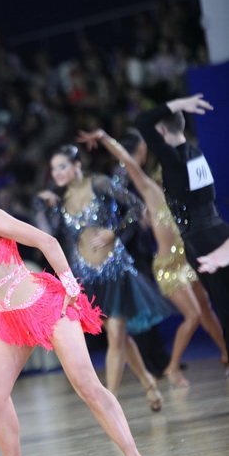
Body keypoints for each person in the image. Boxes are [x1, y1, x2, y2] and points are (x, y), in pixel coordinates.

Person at [0, 143, 167, 456]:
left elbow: (47, 241)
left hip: (46, 306)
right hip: (11, 318)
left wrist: (70, 286)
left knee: (87, 386)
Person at [77, 128, 228, 386]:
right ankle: (172, 368)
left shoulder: (181, 201)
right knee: (193, 315)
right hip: (167, 267)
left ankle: (225, 353)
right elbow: (129, 161)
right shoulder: (152, 193)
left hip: (186, 262)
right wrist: (104, 138)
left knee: (205, 310)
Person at [34, 145, 174, 411]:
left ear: (77, 166)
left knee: (117, 333)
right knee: (117, 336)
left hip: (115, 271)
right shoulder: (60, 200)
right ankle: (148, 382)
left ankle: (110, 402)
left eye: (62, 166)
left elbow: (136, 206)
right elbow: (48, 237)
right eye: (53, 169)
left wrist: (115, 232)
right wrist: (42, 206)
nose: (57, 173)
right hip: (86, 277)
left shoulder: (99, 183)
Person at [135, 93, 229, 358]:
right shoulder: (195, 152)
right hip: (219, 231)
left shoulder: (173, 158)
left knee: (224, 307)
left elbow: (142, 121)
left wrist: (177, 104)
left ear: (161, 131)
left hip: (200, 240)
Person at [112, 129, 172, 379]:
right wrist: (136, 219)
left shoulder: (128, 172)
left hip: (140, 247)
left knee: (148, 305)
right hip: (130, 250)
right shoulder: (121, 175)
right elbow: (119, 213)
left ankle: (160, 359)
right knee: (141, 307)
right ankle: (152, 363)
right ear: (140, 149)